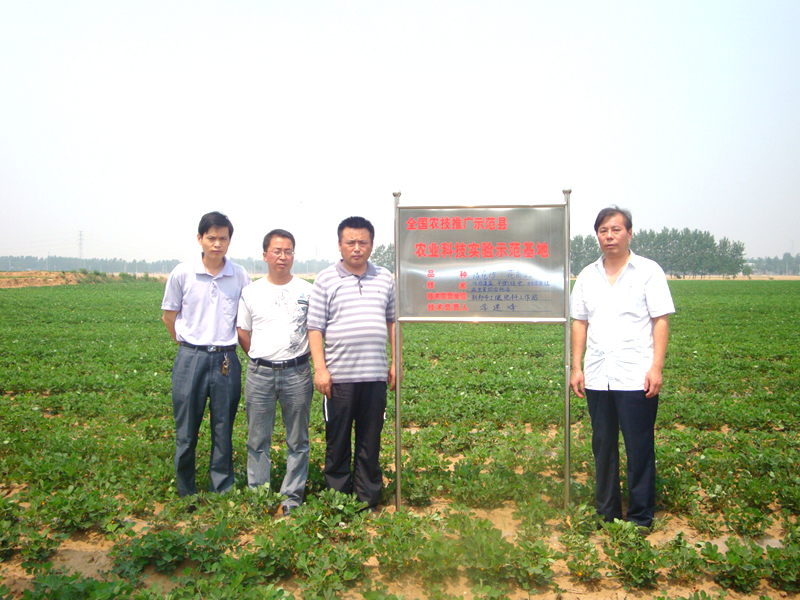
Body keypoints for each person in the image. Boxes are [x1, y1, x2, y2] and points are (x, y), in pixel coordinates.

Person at [570, 206, 675, 529]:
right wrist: (576, 367)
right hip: (598, 375)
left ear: (629, 233)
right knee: (603, 446)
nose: (609, 236)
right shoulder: (587, 276)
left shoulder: (648, 271)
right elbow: (579, 322)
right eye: (603, 231)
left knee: (639, 446)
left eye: (616, 230)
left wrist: (656, 368)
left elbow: (660, 321)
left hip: (635, 375)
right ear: (597, 236)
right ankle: (607, 513)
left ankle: (641, 516)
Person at [307, 216, 396, 510]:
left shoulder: (385, 277)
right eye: (350, 242)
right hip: (339, 377)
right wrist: (320, 369)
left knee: (370, 441)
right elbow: (315, 328)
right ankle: (338, 500)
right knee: (338, 440)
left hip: (374, 376)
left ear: (371, 245)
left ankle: (368, 499)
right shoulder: (325, 279)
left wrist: (396, 362)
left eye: (362, 242)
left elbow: (392, 322)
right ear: (340, 245)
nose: (356, 248)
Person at [161, 211, 251, 499]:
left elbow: (246, 319)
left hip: (226, 359)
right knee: (186, 430)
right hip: (191, 358)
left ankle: (221, 488)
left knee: (223, 428)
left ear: (229, 241)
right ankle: (186, 490)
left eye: (223, 238)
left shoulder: (240, 275)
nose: (217, 244)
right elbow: (169, 317)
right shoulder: (182, 273)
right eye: (211, 238)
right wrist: (189, 345)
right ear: (199, 238)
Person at [236, 229, 313, 517]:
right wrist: (261, 358)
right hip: (260, 374)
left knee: (298, 440)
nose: (283, 256)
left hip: (297, 372)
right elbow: (243, 332)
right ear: (265, 255)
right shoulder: (251, 291)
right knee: (257, 440)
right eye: (277, 251)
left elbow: (316, 331)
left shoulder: (307, 290)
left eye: (288, 251)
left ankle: (292, 497)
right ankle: (259, 496)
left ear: (293, 255)